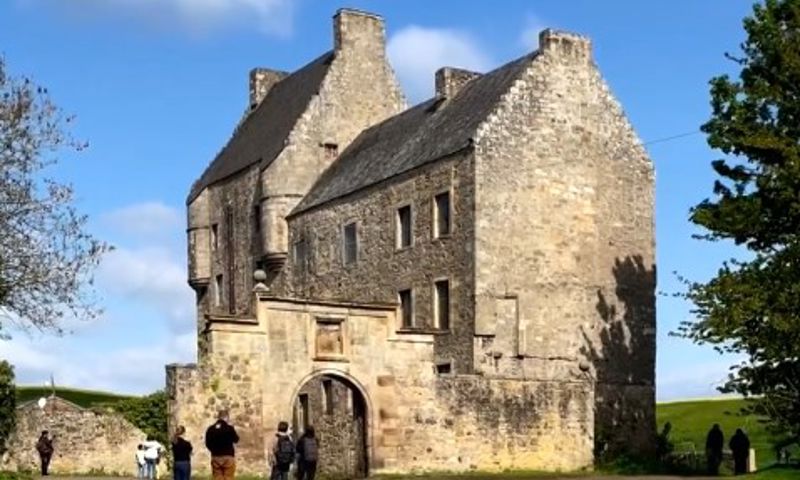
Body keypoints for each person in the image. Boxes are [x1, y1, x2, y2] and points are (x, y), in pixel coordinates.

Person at [205, 409, 240, 480]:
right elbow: (236, 439)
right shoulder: (229, 428)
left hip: (215, 456)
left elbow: (207, 443)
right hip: (228, 456)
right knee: (228, 477)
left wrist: (213, 450)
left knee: (217, 477)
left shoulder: (210, 429)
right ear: (226, 417)